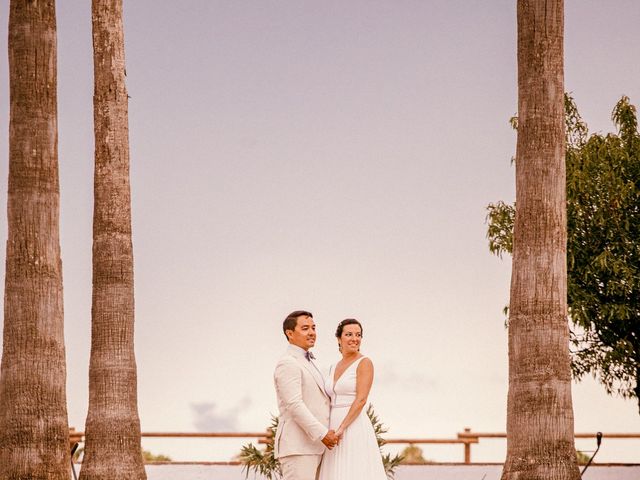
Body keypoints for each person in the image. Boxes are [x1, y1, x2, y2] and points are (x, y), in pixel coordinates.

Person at [273, 310, 340, 480]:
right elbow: (295, 405)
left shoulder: (309, 362)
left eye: (313, 328)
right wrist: (322, 434)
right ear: (290, 333)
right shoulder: (288, 362)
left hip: (315, 448)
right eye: (305, 328)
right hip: (298, 448)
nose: (312, 332)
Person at [317, 318, 387, 480]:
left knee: (354, 471)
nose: (354, 338)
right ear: (339, 339)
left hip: (353, 426)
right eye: (349, 334)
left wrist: (342, 428)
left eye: (358, 335)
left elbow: (361, 399)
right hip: (332, 427)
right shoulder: (333, 366)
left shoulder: (364, 363)